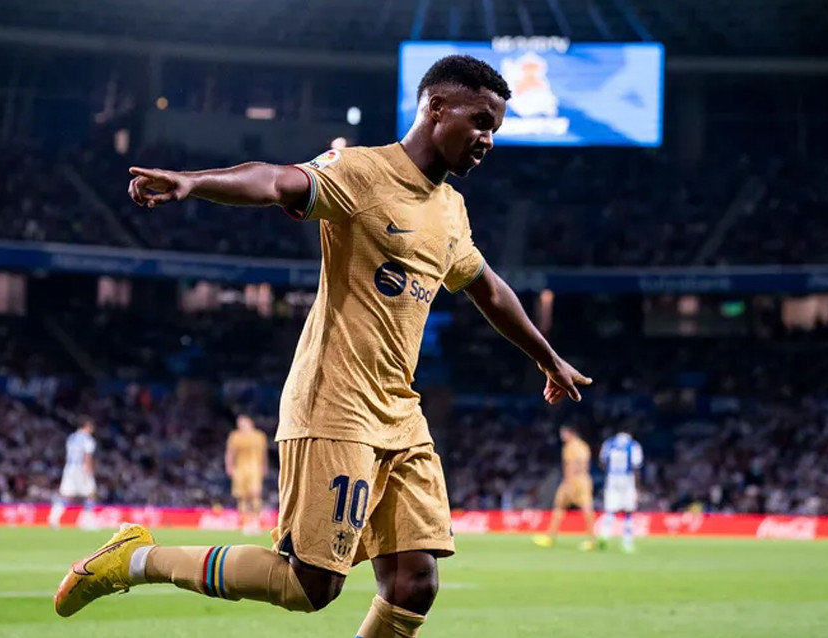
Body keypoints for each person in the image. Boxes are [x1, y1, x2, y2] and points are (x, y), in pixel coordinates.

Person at [54, 55, 592, 638]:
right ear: (436, 108)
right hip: (335, 403)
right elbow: (278, 179)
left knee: (416, 582)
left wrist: (547, 357)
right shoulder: (362, 171)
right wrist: (194, 183)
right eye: (482, 121)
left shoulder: (450, 209)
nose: (488, 139)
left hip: (401, 412)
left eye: (496, 129)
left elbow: (487, 286)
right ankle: (134, 559)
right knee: (309, 584)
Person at [534, 426, 602, 550]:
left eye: (564, 433)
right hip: (585, 479)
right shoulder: (584, 446)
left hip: (572, 480)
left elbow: (569, 466)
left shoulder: (569, 447)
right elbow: (585, 465)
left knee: (559, 506)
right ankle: (592, 539)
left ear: (571, 433)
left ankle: (550, 537)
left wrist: (569, 484)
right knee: (587, 509)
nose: (562, 436)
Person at [598, 431, 644, 553]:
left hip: (612, 478)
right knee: (628, 512)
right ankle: (627, 543)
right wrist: (637, 487)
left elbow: (602, 462)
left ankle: (604, 535)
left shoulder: (609, 443)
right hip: (627, 479)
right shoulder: (633, 445)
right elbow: (636, 466)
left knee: (610, 510)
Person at [48, 419, 97, 529]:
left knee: (67, 495)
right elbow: (87, 457)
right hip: (81, 468)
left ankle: (54, 516)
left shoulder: (71, 438)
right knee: (90, 494)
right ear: (87, 425)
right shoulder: (88, 440)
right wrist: (89, 472)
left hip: (69, 468)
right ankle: (86, 521)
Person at [225, 414, 269, 535]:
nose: (240, 425)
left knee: (255, 495)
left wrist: (264, 467)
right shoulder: (235, 436)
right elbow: (230, 452)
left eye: (242, 422)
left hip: (255, 468)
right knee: (242, 497)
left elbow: (264, 453)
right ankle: (246, 524)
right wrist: (229, 466)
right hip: (240, 468)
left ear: (249, 422)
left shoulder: (259, 436)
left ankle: (255, 523)